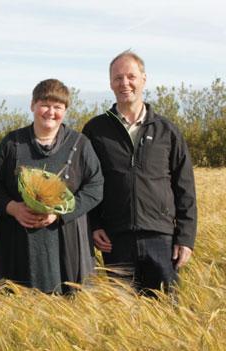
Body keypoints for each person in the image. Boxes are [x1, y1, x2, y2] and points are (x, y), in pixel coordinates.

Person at [82, 50, 197, 295]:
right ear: (110, 83)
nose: (124, 83)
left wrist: (185, 238)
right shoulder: (95, 130)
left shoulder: (167, 131)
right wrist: (94, 225)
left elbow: (184, 187)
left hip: (161, 238)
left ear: (144, 79)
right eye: (117, 78)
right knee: (121, 318)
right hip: (115, 239)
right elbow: (87, 183)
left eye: (131, 76)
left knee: (167, 313)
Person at [0, 79, 103, 294]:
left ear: (65, 111)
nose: (51, 112)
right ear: (33, 106)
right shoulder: (13, 143)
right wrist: (13, 207)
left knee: (67, 308)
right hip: (15, 244)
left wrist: (60, 213)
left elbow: (95, 187)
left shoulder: (80, 144)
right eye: (45, 105)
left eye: (58, 107)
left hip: (66, 242)